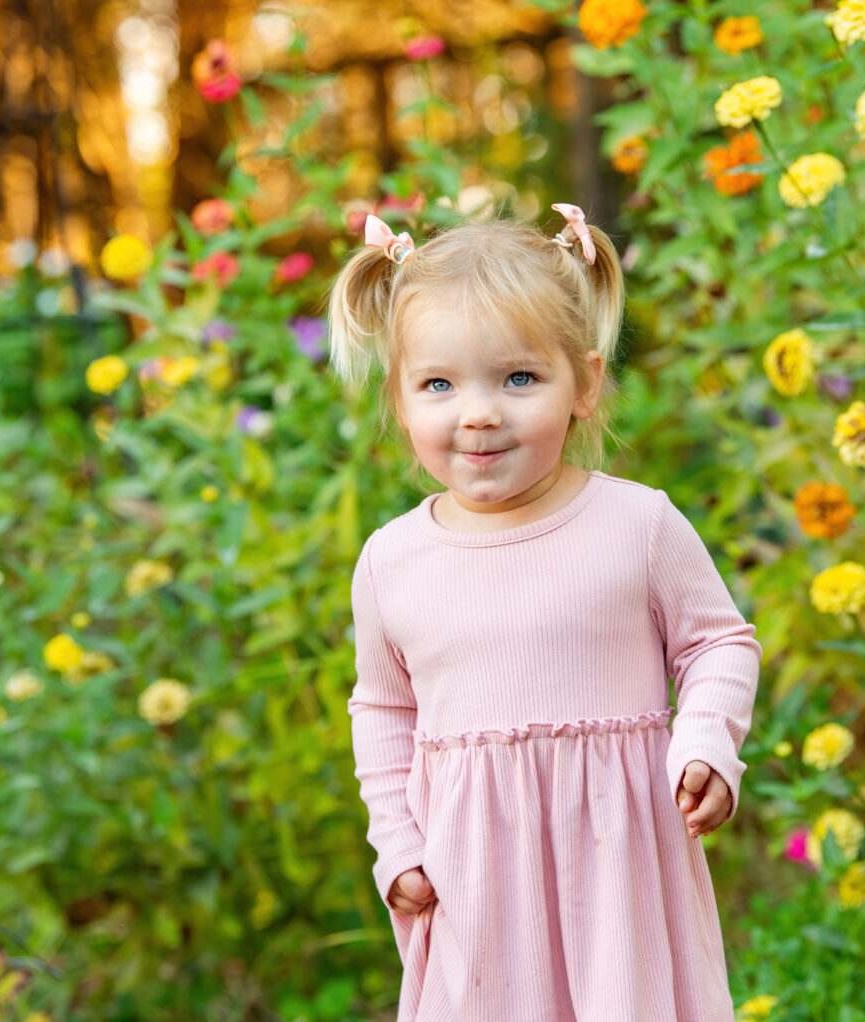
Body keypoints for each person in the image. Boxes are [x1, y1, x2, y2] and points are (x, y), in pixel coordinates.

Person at [326, 200, 762, 1021]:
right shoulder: (392, 560)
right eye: (439, 384)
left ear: (585, 384)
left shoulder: (638, 525)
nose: (479, 411)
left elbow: (719, 644)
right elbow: (383, 708)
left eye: (519, 377)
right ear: (400, 400)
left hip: (620, 869)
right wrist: (397, 844)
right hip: (474, 878)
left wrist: (706, 740)